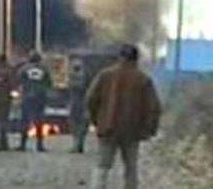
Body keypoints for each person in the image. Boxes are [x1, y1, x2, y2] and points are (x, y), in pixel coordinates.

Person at [86, 44, 161, 189]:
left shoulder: (105, 75)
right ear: (136, 59)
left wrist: (97, 121)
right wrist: (149, 130)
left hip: (108, 128)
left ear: (119, 57)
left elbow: (90, 99)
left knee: (102, 166)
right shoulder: (143, 79)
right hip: (132, 130)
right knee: (131, 168)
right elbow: (154, 108)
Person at [17, 51, 52, 152]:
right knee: (39, 121)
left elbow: (18, 79)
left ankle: (22, 144)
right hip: (40, 97)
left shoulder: (24, 68)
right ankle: (39, 145)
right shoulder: (44, 69)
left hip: (27, 97)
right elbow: (49, 83)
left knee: (25, 121)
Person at [68, 58, 90, 153]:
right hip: (82, 102)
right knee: (81, 125)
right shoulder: (86, 74)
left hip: (78, 102)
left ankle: (77, 144)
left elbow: (76, 87)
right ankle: (79, 144)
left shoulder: (76, 76)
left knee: (76, 124)